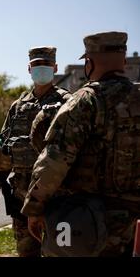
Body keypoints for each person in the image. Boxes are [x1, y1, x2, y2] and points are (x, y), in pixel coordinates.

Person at [21, 31, 140, 257]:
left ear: (89, 62)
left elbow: (54, 161)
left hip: (97, 222)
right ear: (123, 61)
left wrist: (34, 209)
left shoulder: (86, 101)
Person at [0, 46, 70, 257]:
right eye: (37, 64)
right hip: (22, 198)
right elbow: (3, 150)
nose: (41, 69)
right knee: (26, 253)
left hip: (56, 200)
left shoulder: (67, 103)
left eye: (46, 65)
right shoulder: (18, 106)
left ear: (55, 67)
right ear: (29, 69)